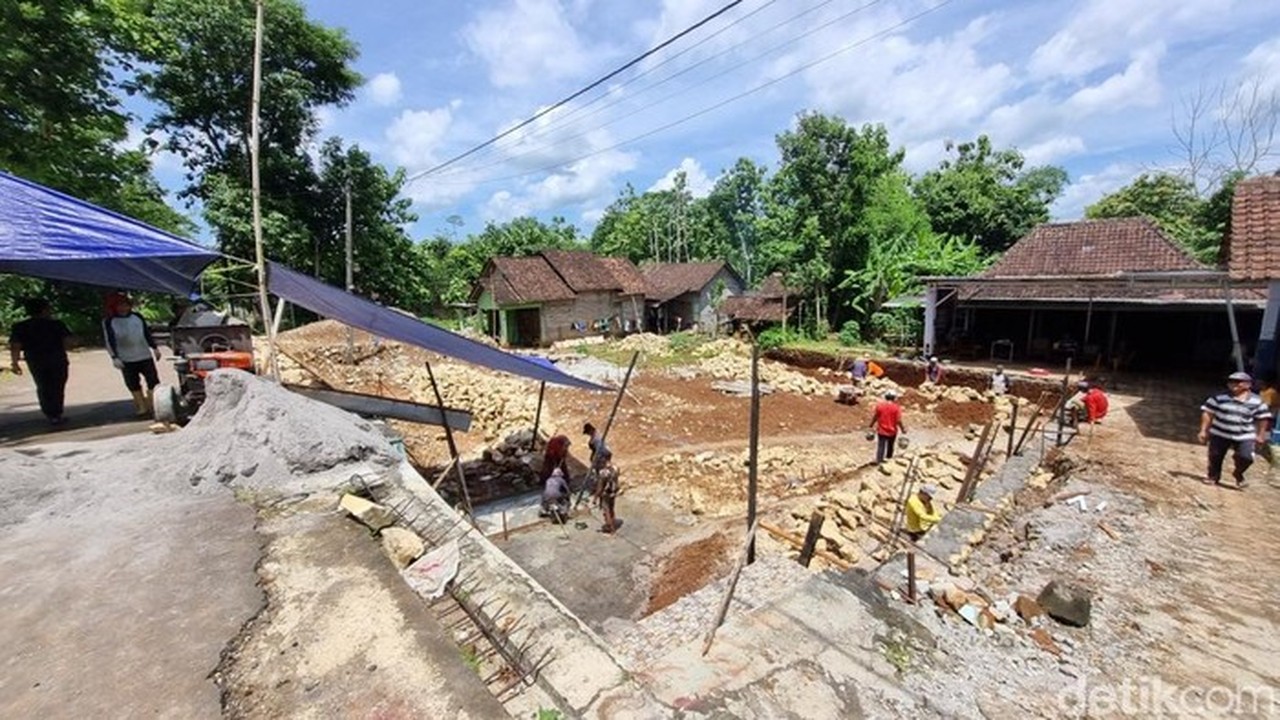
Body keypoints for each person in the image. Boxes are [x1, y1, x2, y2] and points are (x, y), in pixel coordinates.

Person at [1199, 371, 1271, 489]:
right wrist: (1204, 430)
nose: (1233, 384)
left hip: (1244, 435)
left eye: (1238, 382)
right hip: (1220, 432)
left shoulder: (1257, 401)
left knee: (1246, 457)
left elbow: (1263, 418)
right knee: (1215, 456)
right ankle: (1213, 476)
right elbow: (1208, 413)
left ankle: (1239, 474)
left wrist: (1261, 435)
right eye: (1231, 381)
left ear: (1248, 384)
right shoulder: (1218, 397)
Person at [7, 298, 72, 425]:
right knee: (57, 386)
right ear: (44, 310)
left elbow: (15, 346)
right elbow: (68, 342)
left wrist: (15, 363)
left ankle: (50, 413)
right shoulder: (56, 324)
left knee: (43, 385)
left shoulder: (20, 326)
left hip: (35, 360)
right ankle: (56, 413)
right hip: (57, 358)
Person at [103, 293, 162, 417]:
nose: (123, 308)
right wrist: (114, 357)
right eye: (120, 306)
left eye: (125, 305)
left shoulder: (137, 317)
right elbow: (109, 340)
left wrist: (155, 348)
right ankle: (141, 406)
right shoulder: (109, 321)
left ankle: (153, 404)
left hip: (144, 355)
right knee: (132, 383)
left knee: (153, 380)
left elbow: (146, 333)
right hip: (126, 358)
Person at [868, 389, 908, 464]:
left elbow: (875, 417)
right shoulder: (896, 408)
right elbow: (898, 420)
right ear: (894, 398)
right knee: (890, 446)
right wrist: (903, 429)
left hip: (881, 431)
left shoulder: (880, 406)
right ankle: (889, 461)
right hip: (892, 431)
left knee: (881, 446)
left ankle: (879, 461)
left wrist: (871, 424)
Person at [594, 450, 620, 534]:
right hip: (614, 491)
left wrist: (595, 497)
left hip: (606, 493)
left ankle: (611, 528)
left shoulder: (603, 472)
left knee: (606, 510)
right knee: (611, 508)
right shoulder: (616, 467)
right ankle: (613, 522)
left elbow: (600, 487)